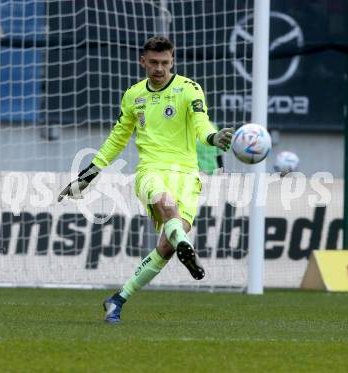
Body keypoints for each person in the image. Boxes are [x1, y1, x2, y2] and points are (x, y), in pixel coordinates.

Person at [58, 36, 233, 323]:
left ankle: (117, 300)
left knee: (166, 246)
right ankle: (185, 247)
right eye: (153, 63)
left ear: (172, 60)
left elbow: (202, 126)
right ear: (143, 61)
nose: (159, 68)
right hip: (150, 172)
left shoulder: (189, 89)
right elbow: (116, 140)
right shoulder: (133, 95)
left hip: (188, 176)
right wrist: (87, 176)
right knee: (167, 206)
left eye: (165, 63)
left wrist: (214, 137)